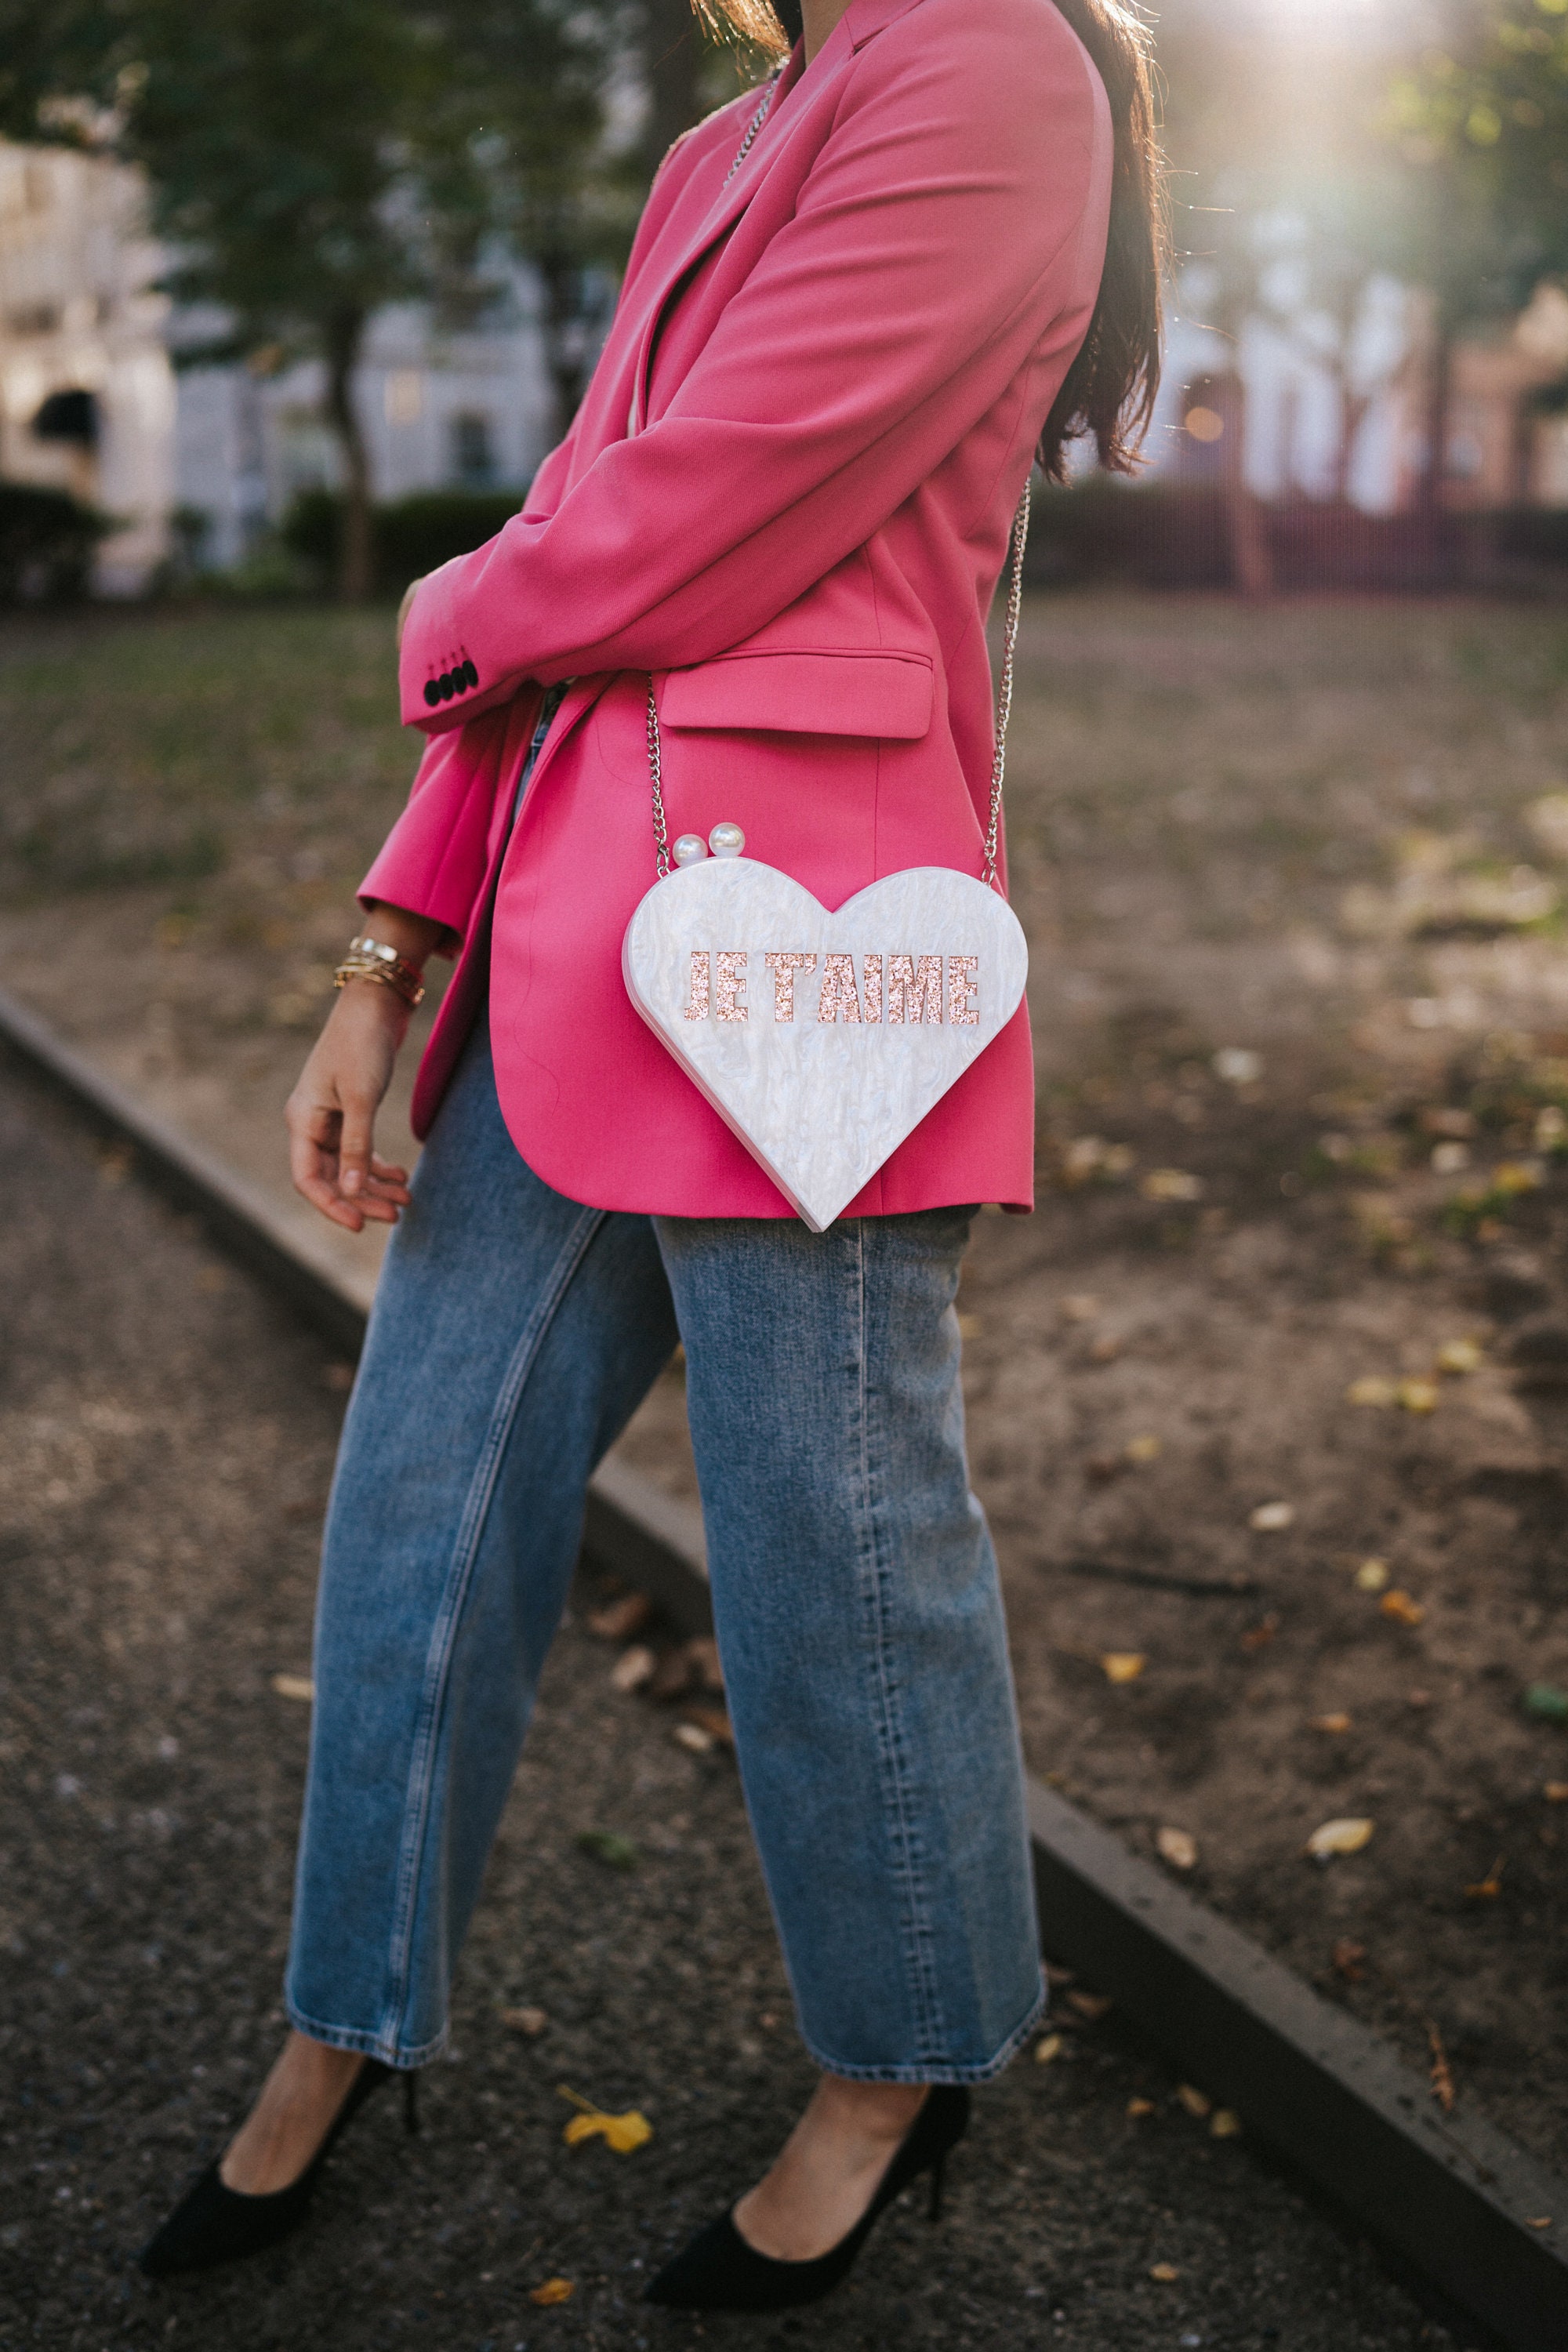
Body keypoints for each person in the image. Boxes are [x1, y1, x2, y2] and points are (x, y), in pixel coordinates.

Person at [140, 0, 1163, 2312]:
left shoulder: (994, 68)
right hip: (571, 945)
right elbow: (583, 571)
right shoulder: (729, 141)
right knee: (423, 1504)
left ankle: (906, 2065)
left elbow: (689, 518)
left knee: (835, 1553)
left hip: (809, 958)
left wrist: (451, 599)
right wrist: (388, 945)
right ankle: (341, 2023)